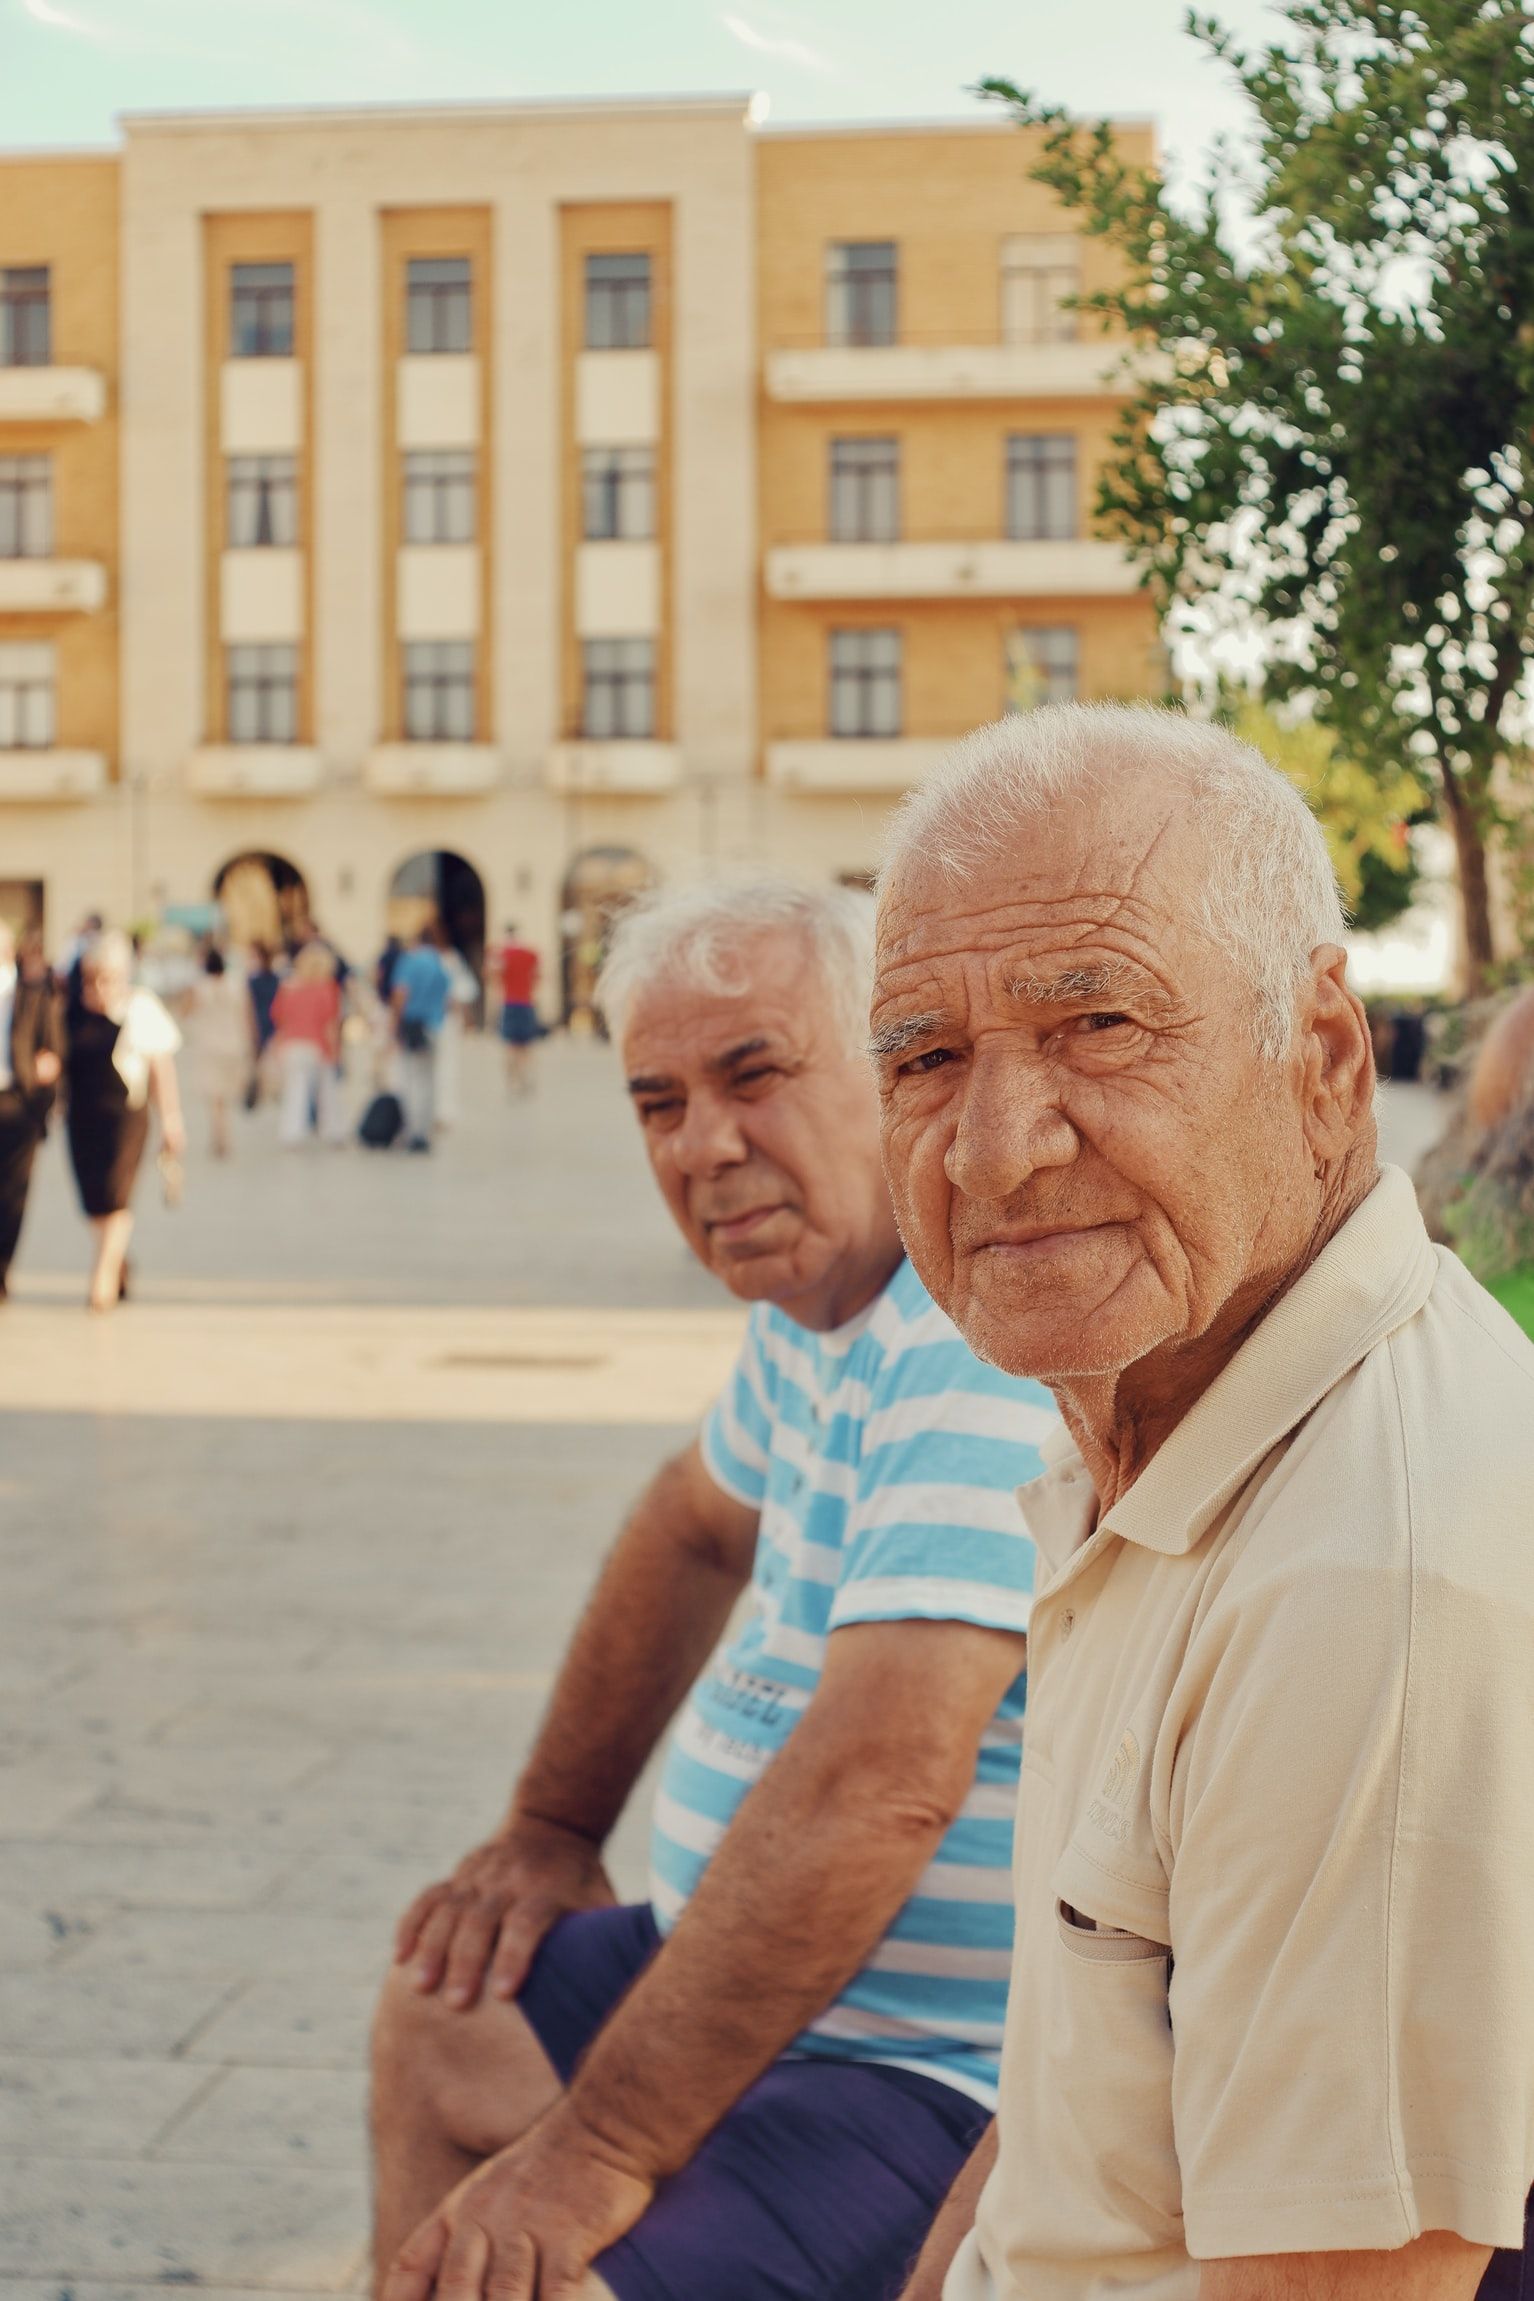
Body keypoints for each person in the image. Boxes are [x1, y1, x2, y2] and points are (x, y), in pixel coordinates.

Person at [861, 705, 1534, 2301]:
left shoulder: (1359, 1576)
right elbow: (1085, 2124)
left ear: (1320, 1059)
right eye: (924, 1057)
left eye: (1096, 1025)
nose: (991, 1151)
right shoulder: (1172, 1419)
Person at [370, 878, 1057, 2301]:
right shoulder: (822, 1308)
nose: (704, 1146)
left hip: (934, 2075)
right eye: (656, 1103)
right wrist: (551, 1826)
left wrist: (601, 2142)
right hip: (766, 1996)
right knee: (446, 2009)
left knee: (546, 2267)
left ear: (894, 1071)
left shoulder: (975, 1332)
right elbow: (689, 1527)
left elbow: (882, 1786)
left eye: (754, 1077)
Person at [64, 928, 184, 1313]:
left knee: (117, 1195)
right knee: (94, 1202)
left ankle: (101, 1280)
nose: (99, 986)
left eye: (107, 977)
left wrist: (171, 1119)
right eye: (92, 977)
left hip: (125, 1119)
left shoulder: (141, 1008)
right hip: (82, 1119)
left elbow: (161, 1068)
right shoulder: (70, 1011)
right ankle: (117, 1261)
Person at [0, 922, 65, 1304]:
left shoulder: (33, 993)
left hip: (17, 1103)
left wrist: (48, 1067)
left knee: (12, 1194)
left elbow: (55, 1047)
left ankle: (2, 1266)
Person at [270, 940, 347, 1148]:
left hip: (291, 1045)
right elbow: (330, 1024)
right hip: (317, 1045)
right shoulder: (327, 988)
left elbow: (279, 1019)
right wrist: (335, 1050)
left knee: (295, 1091)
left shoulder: (288, 988)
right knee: (327, 1091)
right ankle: (332, 1131)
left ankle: (291, 1132)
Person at [184, 947, 253, 1159]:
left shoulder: (199, 988)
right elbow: (248, 1016)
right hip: (234, 1044)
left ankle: (218, 1136)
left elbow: (186, 1013)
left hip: (208, 1046)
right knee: (226, 1095)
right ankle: (225, 1135)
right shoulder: (237, 986)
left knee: (214, 1096)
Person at [391, 925, 452, 1152]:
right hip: (433, 1026)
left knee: (409, 1079)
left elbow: (400, 994)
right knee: (428, 1081)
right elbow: (447, 997)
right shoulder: (440, 964)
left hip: (412, 1025)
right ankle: (423, 1132)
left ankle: (410, 1130)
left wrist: (395, 1024)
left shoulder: (410, 961)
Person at [492, 922, 542, 1096]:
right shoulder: (530, 953)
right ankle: (527, 1077)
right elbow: (538, 975)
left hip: (510, 1002)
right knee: (526, 1044)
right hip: (526, 1002)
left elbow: (494, 975)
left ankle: (512, 1081)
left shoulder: (502, 954)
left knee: (510, 1044)